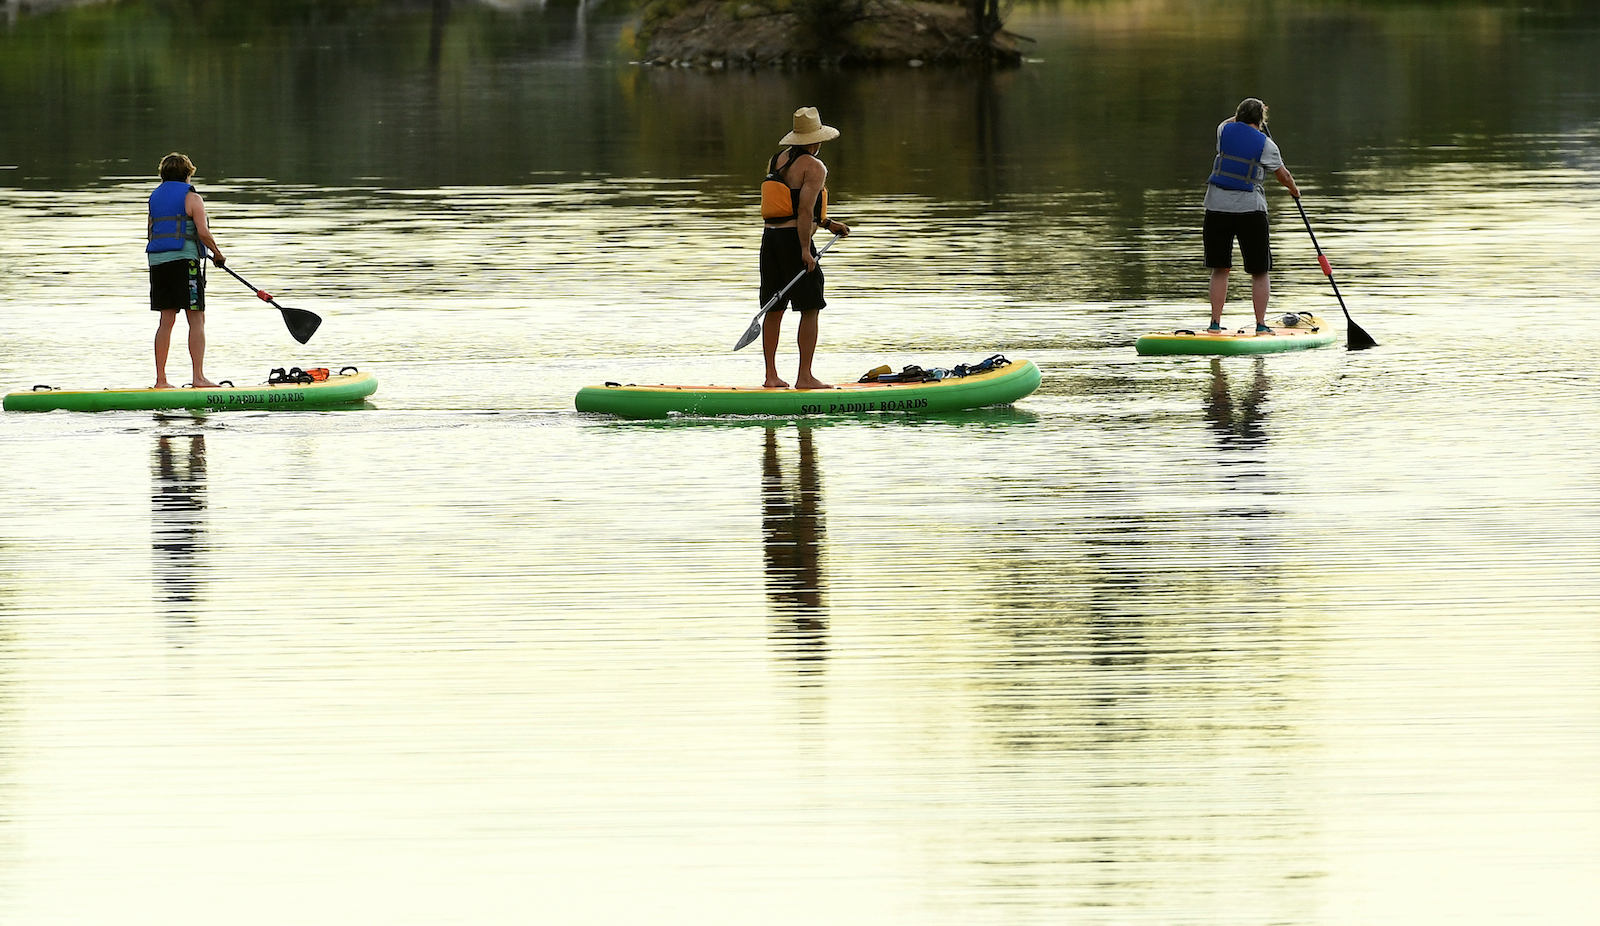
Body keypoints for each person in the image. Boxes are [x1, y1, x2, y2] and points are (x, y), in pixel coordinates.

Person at [759, 106, 850, 389]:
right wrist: (805, 252)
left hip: (770, 241)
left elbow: (788, 205)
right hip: (792, 243)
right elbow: (803, 209)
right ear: (816, 140)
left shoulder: (778, 160)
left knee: (774, 308)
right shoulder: (815, 167)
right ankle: (805, 377)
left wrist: (828, 223)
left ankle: (771, 377)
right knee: (810, 307)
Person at [1203, 98, 1300, 334]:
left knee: (1220, 267)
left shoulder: (1223, 130)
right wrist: (1294, 191)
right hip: (1250, 210)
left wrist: (1245, 113)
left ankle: (1215, 324)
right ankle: (1260, 324)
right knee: (1259, 270)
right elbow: (1283, 176)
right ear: (1260, 120)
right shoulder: (1266, 145)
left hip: (1216, 208)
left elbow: (1232, 121)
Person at [147, 152, 225, 388]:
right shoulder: (192, 198)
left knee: (166, 319)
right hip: (184, 263)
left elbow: (152, 231)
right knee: (196, 318)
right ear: (188, 174)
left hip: (157, 262)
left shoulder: (155, 197)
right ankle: (198, 378)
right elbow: (202, 232)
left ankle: (161, 380)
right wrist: (218, 254)